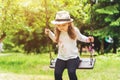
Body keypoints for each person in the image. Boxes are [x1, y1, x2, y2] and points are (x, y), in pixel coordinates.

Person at [45, 10, 94, 80]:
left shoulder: (74, 30)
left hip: (73, 57)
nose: (61, 27)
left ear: (69, 23)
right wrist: (49, 33)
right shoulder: (58, 32)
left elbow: (81, 37)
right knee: (57, 74)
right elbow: (55, 39)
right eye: (58, 25)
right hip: (61, 57)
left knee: (71, 72)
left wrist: (88, 39)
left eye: (63, 25)